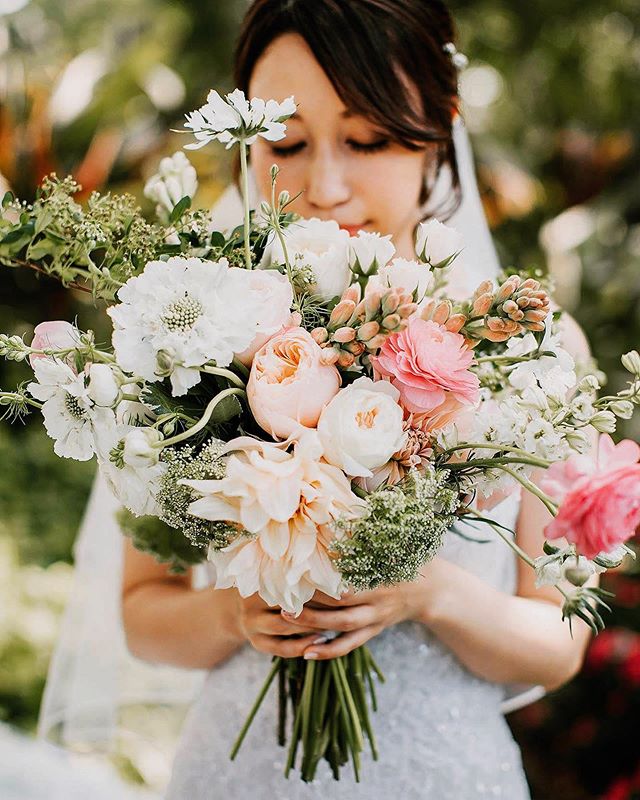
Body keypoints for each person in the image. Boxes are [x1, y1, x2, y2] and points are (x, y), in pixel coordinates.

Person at [119, 1, 595, 797]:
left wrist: (430, 592)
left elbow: (557, 640)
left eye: (368, 139)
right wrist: (235, 617)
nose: (326, 185)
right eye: (288, 143)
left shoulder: (537, 351)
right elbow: (141, 611)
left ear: (439, 129)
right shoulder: (191, 345)